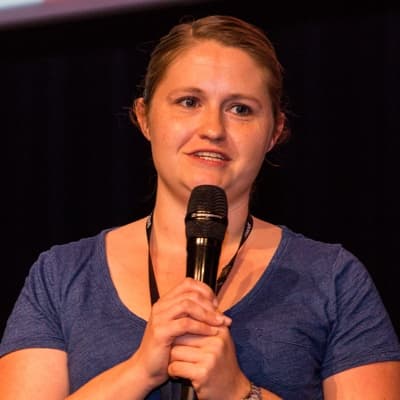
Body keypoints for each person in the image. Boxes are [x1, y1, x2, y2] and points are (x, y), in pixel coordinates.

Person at [0, 14, 399, 400]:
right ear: (144, 117)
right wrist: (139, 371)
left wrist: (240, 393)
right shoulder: (61, 276)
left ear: (274, 131)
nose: (213, 129)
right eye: (189, 101)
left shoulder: (333, 279)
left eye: (240, 109)